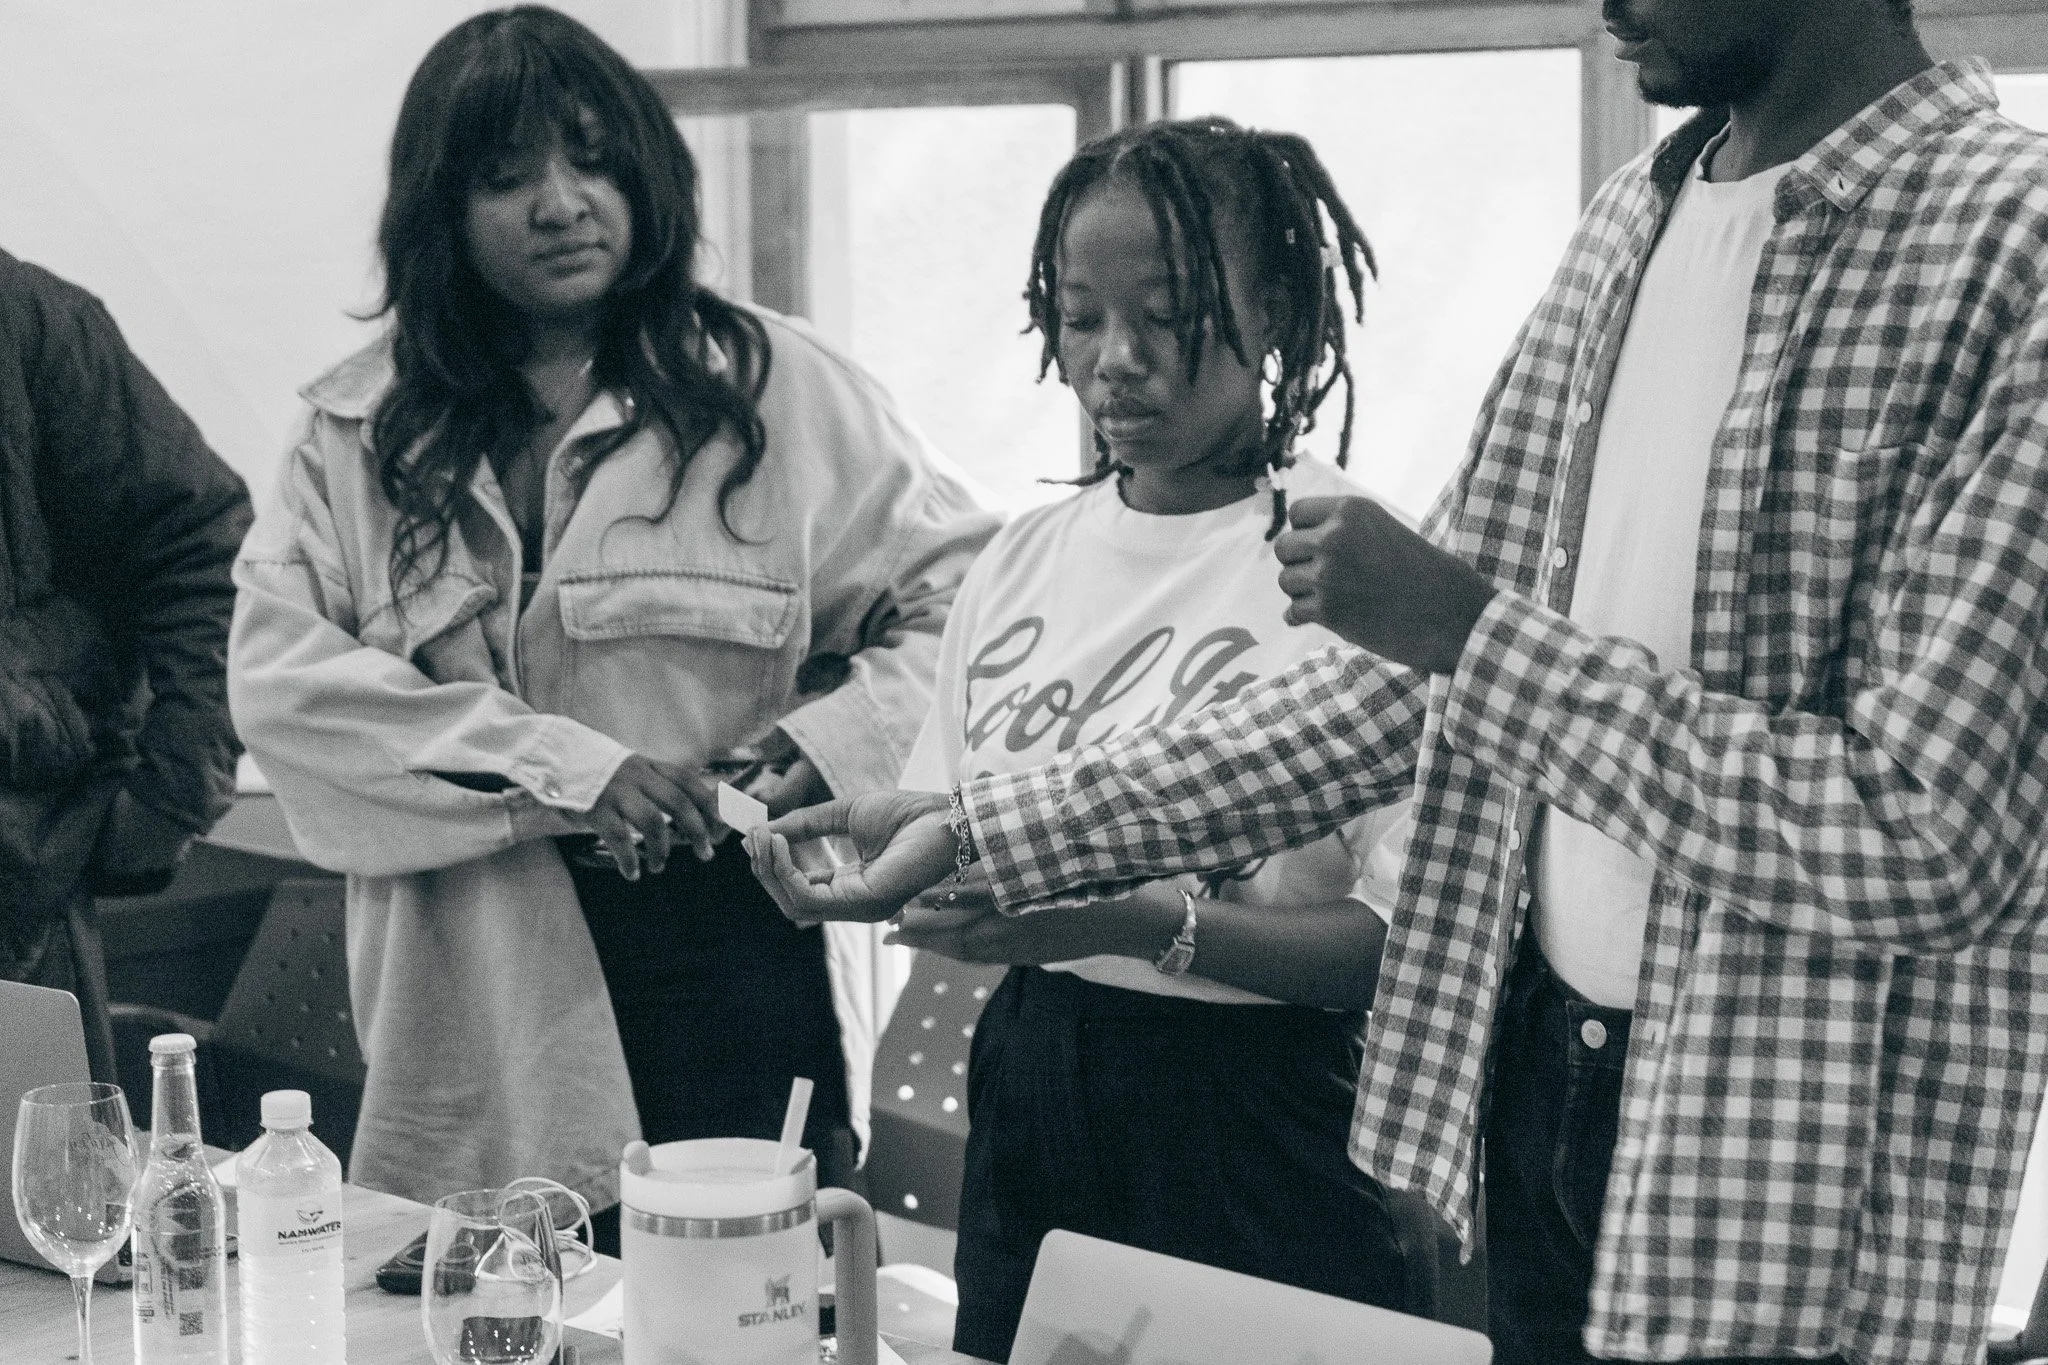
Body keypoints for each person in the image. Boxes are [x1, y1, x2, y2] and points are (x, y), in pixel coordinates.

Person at [750, 3, 2048, 1361]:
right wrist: (981, 830)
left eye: (1172, 314)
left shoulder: (2008, 241)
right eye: (1079, 320)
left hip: (1779, 1152)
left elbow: (1921, 835)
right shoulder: (1636, 220)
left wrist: (1473, 639)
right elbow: (1408, 697)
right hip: (1545, 1084)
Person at [228, 4, 999, 1225]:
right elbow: (280, 685)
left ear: (645, 171)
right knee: (499, 1310)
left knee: (739, 1308)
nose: (561, 202)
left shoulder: (779, 390)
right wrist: (563, 767)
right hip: (472, 974)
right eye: (506, 176)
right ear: (441, 205)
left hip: (734, 942)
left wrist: (827, 745)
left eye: (592, 159)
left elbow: (980, 612)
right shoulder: (357, 435)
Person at [885, 117, 1415, 1360]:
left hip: (1263, 1106)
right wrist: (870, 865)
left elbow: (1407, 951)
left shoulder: (1356, 558)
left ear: (1274, 307)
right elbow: (944, 830)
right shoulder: (1020, 559)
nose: (1113, 361)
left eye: (1167, 312)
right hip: (1034, 1080)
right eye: (1077, 316)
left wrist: (1137, 926)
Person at [0, 247, 250, 1085]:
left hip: (18, 899)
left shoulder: (28, 318)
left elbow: (198, 543)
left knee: (37, 1209)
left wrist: (171, 793)